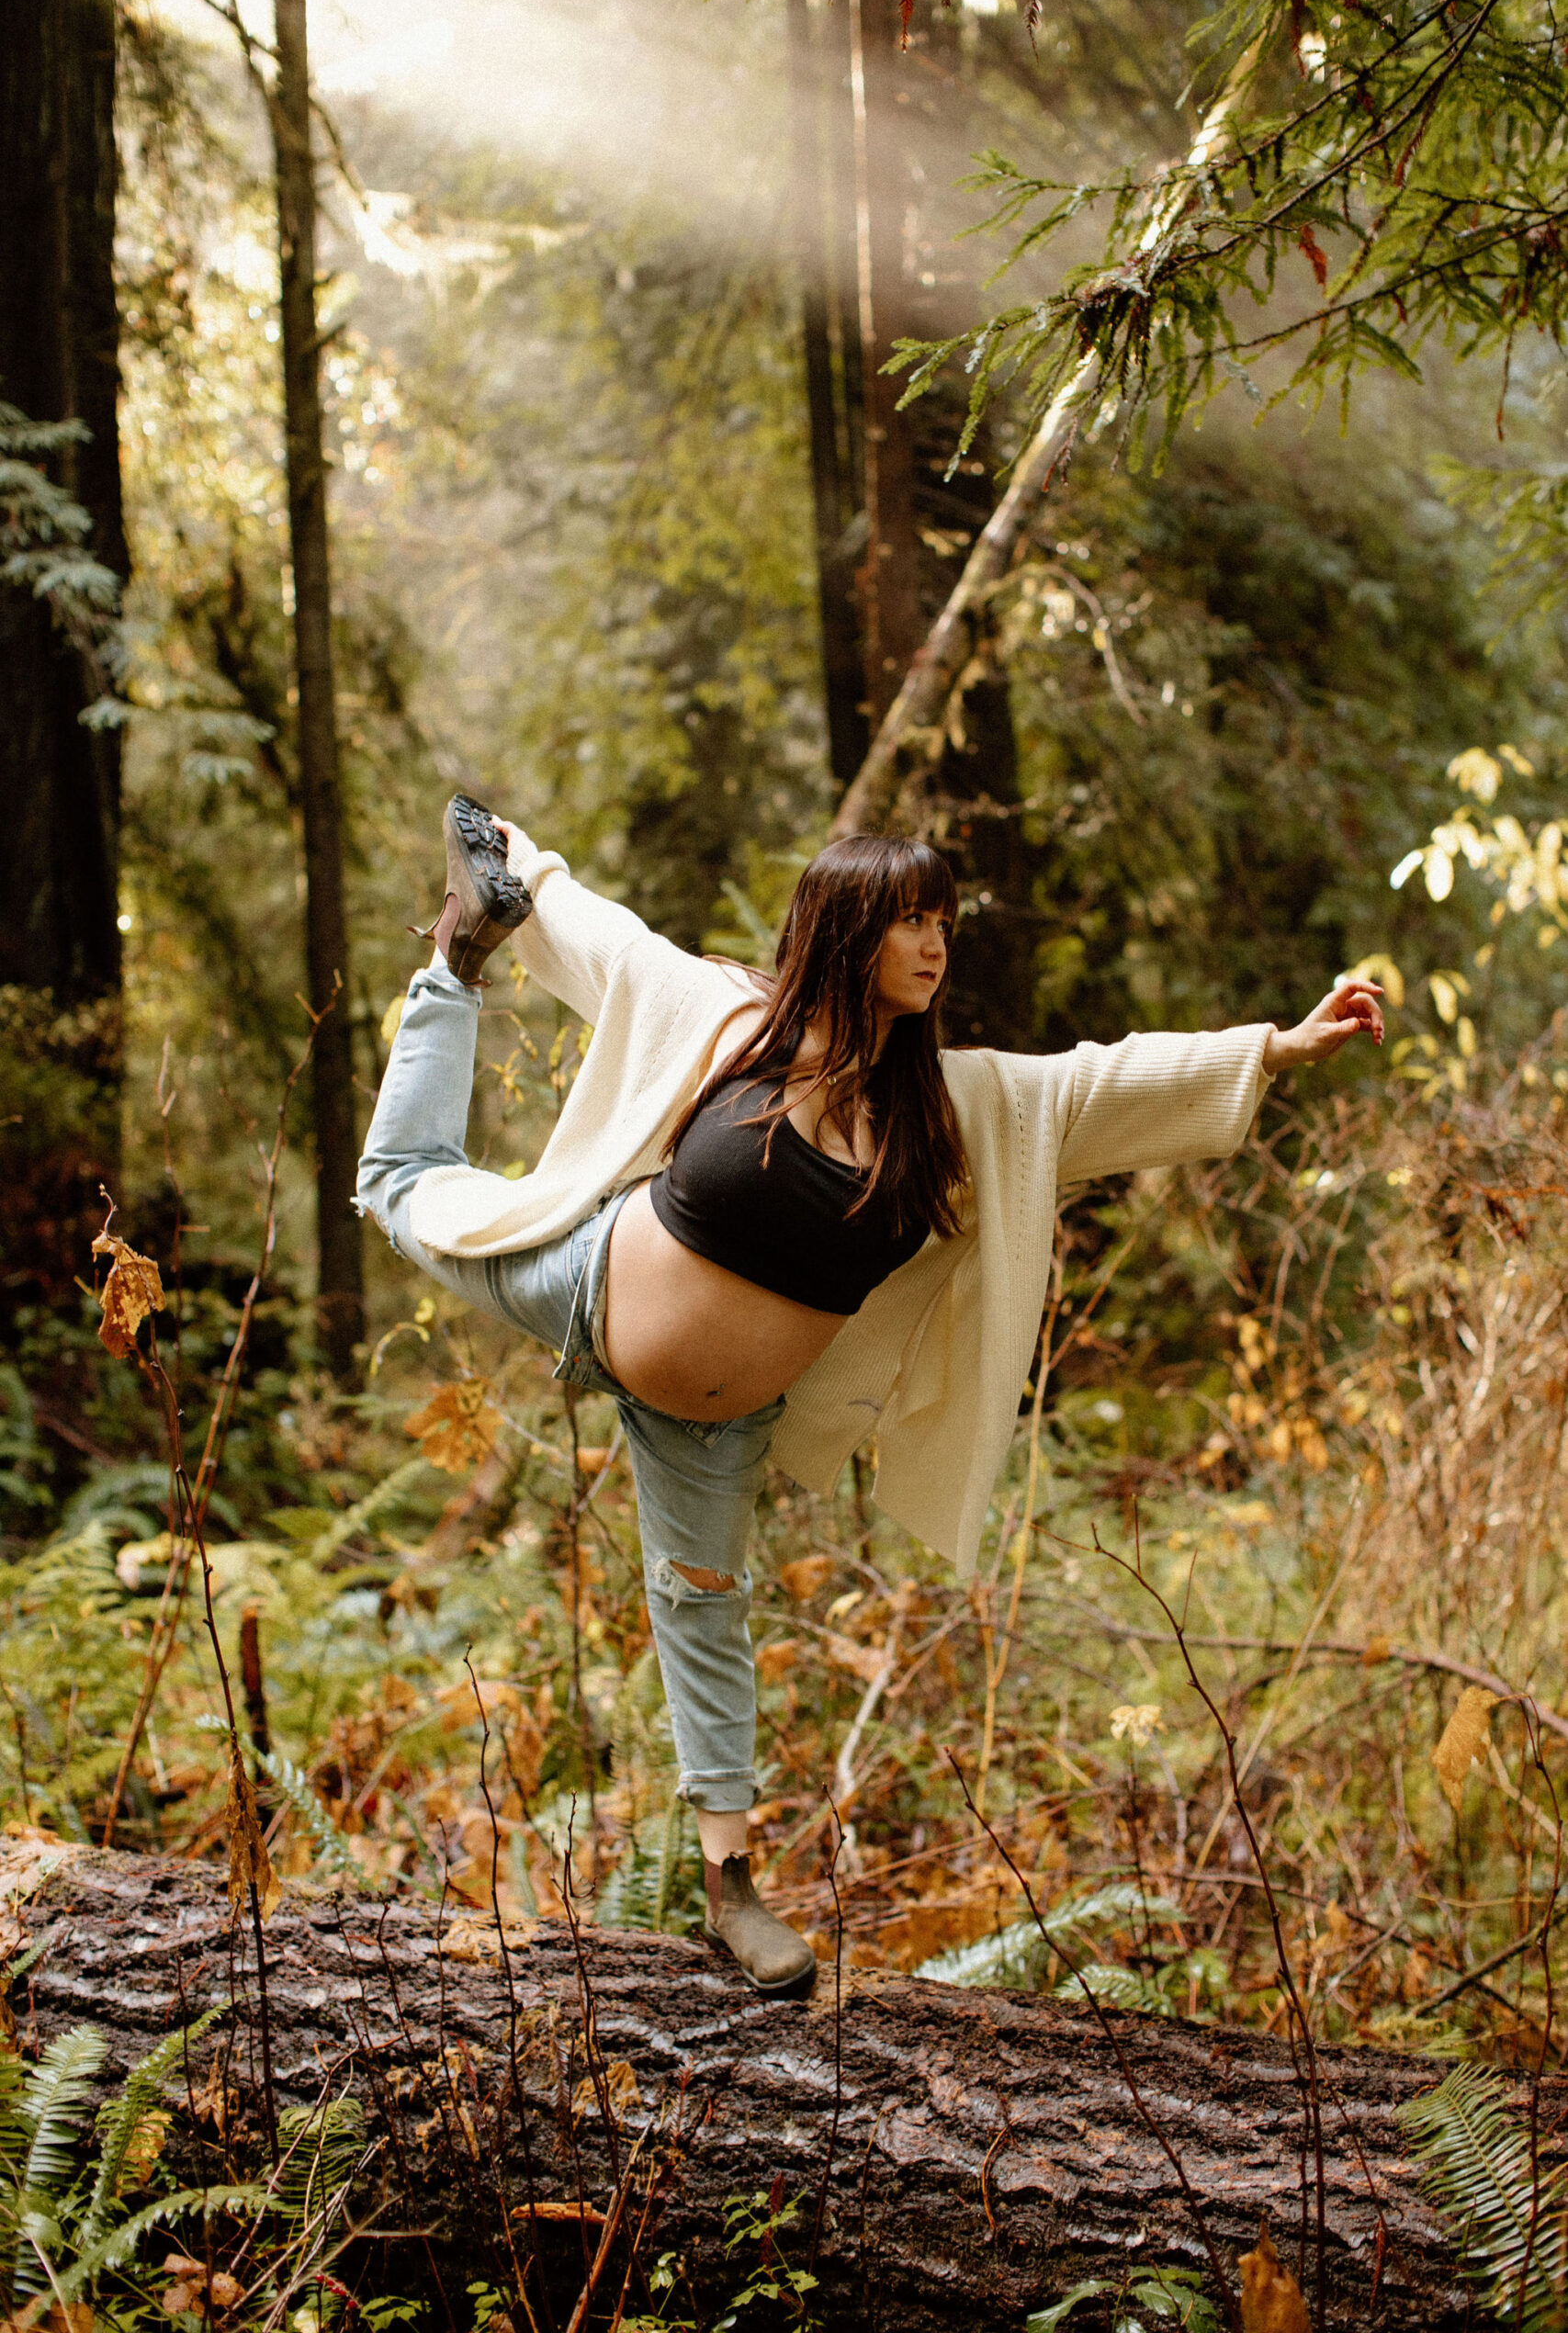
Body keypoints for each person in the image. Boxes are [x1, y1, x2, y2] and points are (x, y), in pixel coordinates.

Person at [357, 795, 1384, 1999]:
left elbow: (1095, 1086)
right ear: (846, 929)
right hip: (584, 1284)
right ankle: (450, 969)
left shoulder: (943, 1110)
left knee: (702, 1605)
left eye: (943, 920)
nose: (935, 944)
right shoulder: (730, 1021)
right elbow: (608, 943)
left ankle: (730, 1886)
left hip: (716, 1417)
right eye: (908, 920)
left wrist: (1276, 1045)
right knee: (401, 1183)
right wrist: (514, 866)